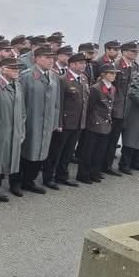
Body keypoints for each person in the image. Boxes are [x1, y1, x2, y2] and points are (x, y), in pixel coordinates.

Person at [42, 52, 89, 188]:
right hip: (65, 123)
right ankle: (48, 177)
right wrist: (59, 123)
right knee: (56, 152)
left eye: (84, 63)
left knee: (68, 152)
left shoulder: (84, 79)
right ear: (72, 64)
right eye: (80, 63)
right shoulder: (62, 80)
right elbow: (59, 103)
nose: (83, 66)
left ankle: (62, 176)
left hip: (78, 122)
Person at [18, 47, 61, 193]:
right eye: (46, 57)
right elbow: (20, 103)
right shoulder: (26, 76)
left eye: (52, 58)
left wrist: (55, 123)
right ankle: (17, 182)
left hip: (46, 123)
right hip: (31, 122)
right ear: (36, 58)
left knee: (41, 153)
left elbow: (57, 103)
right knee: (25, 153)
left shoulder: (54, 76)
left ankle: (30, 181)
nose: (51, 60)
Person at [0, 57, 26, 201]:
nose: (17, 71)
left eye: (17, 69)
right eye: (13, 69)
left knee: (4, 163)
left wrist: (21, 131)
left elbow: (22, 112)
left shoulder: (17, 85)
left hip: (12, 132)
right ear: (3, 69)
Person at [76, 64, 117, 184]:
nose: (113, 75)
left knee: (100, 151)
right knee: (88, 151)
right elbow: (89, 107)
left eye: (114, 73)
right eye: (111, 73)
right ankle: (83, 174)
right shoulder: (96, 88)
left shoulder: (112, 88)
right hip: (94, 123)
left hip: (105, 124)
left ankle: (94, 172)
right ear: (104, 74)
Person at [111, 41, 139, 175]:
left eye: (137, 51)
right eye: (133, 51)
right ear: (124, 52)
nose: (136, 53)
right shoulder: (117, 65)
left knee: (120, 137)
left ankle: (111, 165)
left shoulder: (134, 66)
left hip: (128, 108)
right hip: (116, 107)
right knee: (111, 139)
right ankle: (104, 165)